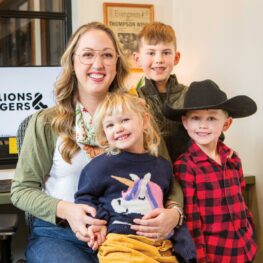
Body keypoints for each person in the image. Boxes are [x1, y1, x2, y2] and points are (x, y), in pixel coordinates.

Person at [11, 22, 183, 263]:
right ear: (72, 62)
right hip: (61, 236)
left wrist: (174, 213)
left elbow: (167, 177)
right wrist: (67, 210)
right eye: (88, 55)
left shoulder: (136, 115)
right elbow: (21, 190)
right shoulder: (46, 122)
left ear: (117, 64)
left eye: (107, 55)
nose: (98, 64)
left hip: (129, 238)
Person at [75, 92, 194, 263]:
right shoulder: (99, 166)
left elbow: (168, 201)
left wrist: (184, 245)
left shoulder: (162, 166)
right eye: (109, 125)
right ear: (104, 133)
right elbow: (84, 198)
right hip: (121, 244)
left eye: (124, 120)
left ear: (145, 121)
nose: (118, 128)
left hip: (161, 246)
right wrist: (99, 223)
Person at [163, 79, 258, 263]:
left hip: (243, 249)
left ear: (226, 124)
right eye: (195, 118)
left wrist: (250, 233)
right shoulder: (186, 165)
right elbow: (192, 223)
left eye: (212, 118)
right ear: (185, 122)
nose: (203, 125)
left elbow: (242, 203)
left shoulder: (233, 159)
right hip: (215, 255)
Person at [132, 21, 190, 163]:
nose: (159, 60)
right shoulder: (133, 99)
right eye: (151, 53)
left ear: (176, 58)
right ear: (138, 59)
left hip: (188, 174)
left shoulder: (190, 95)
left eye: (166, 52)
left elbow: (211, 133)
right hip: (151, 174)